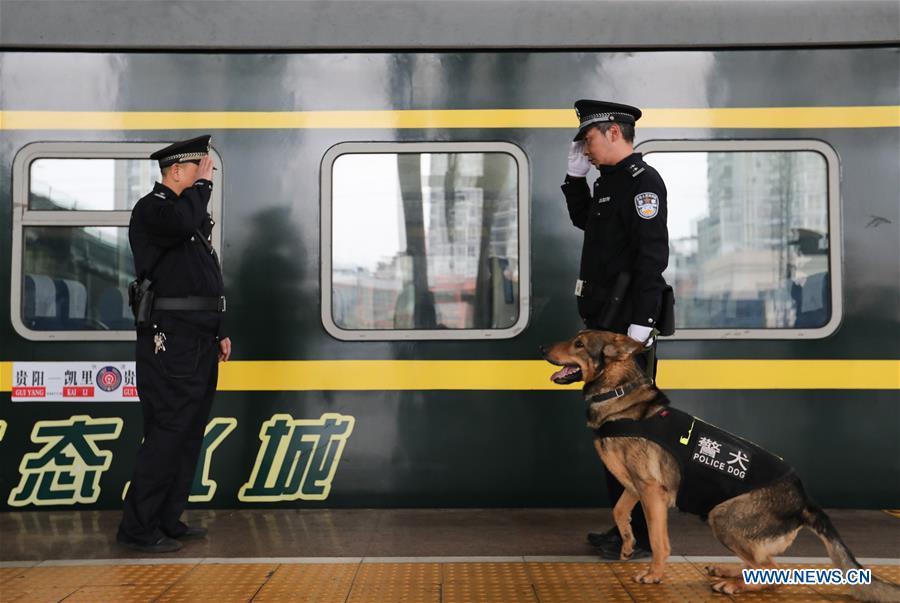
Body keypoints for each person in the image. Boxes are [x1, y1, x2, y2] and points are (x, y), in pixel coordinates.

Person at [561, 100, 672, 560]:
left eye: (587, 139)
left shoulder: (643, 183)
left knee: (632, 436)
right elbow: (586, 221)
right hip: (605, 328)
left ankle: (642, 538)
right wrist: (574, 182)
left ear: (612, 132)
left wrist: (640, 326)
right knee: (611, 431)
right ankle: (624, 527)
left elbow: (652, 258)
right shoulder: (609, 183)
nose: (584, 150)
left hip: (625, 334)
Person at [117, 135, 231, 553]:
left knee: (188, 432)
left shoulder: (188, 217)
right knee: (167, 432)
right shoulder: (154, 209)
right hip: (171, 341)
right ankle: (138, 529)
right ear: (177, 170)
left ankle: (167, 518)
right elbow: (181, 224)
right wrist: (202, 188)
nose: (206, 177)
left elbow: (203, 279)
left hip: (198, 339)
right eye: (200, 169)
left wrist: (220, 329)